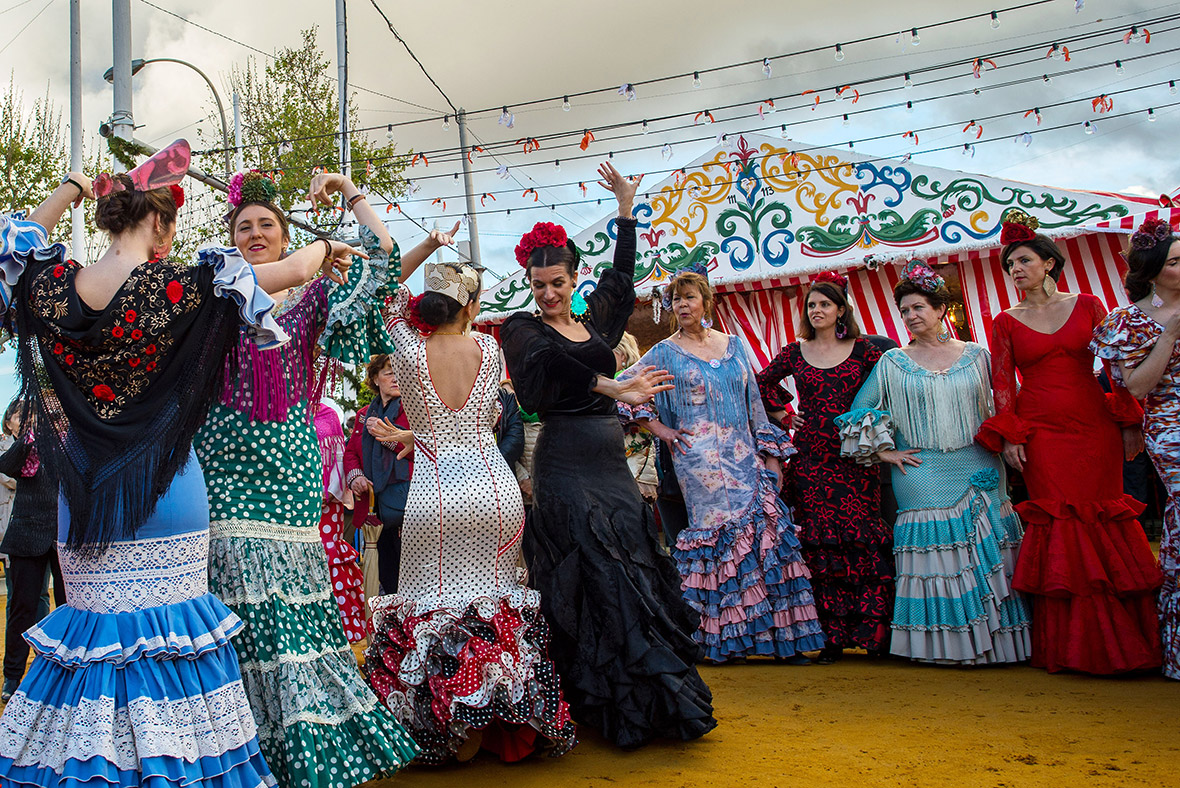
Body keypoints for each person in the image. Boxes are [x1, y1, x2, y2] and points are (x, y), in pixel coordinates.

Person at [0, 141, 348, 786]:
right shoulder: (182, 286)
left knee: (90, 639)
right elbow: (293, 270)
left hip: (83, 492)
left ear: (108, 217)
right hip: (168, 487)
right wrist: (326, 250)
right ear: (160, 223)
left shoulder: (53, 288)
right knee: (174, 642)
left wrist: (74, 185)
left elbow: (16, 241)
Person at [194, 170, 419, 786]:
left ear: (286, 233)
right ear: (232, 238)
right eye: (245, 227)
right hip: (219, 462)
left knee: (287, 594)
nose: (256, 234)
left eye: (267, 224)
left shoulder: (314, 300)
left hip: (288, 463)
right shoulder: (215, 288)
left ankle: (303, 744)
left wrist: (350, 191)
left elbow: (382, 256)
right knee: (231, 582)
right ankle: (232, 742)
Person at [500, 162, 716, 749]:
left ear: (573, 279)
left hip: (611, 467)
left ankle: (655, 700)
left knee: (635, 567)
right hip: (565, 464)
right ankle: (604, 704)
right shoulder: (522, 329)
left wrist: (625, 209)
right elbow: (550, 369)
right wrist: (612, 388)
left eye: (557, 283)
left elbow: (620, 282)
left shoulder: (594, 327)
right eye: (539, 284)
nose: (547, 294)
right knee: (594, 571)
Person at [363, 229, 577, 764]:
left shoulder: (407, 349)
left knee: (435, 607)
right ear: (474, 306)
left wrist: (422, 243)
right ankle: (507, 723)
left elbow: (385, 275)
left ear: (426, 306)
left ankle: (448, 725)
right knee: (497, 603)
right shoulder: (489, 345)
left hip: (436, 494)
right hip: (493, 488)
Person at [976, 208, 1162, 675]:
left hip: (1093, 426)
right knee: (1059, 522)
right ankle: (1070, 646)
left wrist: (1128, 421)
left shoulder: (1089, 304)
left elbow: (1115, 367)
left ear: (1048, 262)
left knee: (1103, 514)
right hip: (1042, 434)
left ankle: (1125, 642)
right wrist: (1012, 437)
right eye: (1009, 265)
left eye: (1022, 260)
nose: (1016, 270)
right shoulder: (1005, 321)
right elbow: (1002, 385)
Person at [624, 270, 824, 664]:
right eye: (675, 300)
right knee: (718, 548)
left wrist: (770, 455)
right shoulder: (664, 352)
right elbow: (625, 387)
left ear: (706, 301)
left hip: (745, 457)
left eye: (688, 298)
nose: (681, 306)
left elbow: (755, 404)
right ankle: (723, 641)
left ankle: (782, 639)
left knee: (766, 541)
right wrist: (659, 428)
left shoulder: (733, 346)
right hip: (697, 465)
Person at [836, 262, 1031, 665]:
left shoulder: (978, 355)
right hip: (920, 472)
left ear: (942, 309)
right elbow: (859, 409)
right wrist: (884, 452)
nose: (909, 317)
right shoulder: (892, 362)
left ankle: (999, 647)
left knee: (988, 552)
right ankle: (944, 648)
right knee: (935, 558)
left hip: (979, 464)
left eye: (918, 308)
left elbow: (1007, 402)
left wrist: (1009, 441)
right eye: (904, 310)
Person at [756, 272, 893, 664]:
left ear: (840, 310)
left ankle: (872, 636)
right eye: (812, 305)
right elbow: (760, 382)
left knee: (862, 538)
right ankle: (831, 638)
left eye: (824, 304)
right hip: (812, 458)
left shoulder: (867, 349)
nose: (817, 310)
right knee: (820, 544)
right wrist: (784, 411)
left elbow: (893, 383)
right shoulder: (795, 352)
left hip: (854, 456)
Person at [1091, 217, 1180, 679]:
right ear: (1151, 271)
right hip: (1170, 425)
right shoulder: (1127, 322)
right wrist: (1171, 332)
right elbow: (1140, 387)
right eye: (1176, 261)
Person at [0, 412, 65, 700]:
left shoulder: (73, 440)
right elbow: (7, 465)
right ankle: (12, 677)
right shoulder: (27, 442)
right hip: (27, 534)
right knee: (21, 608)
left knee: (69, 607)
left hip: (66, 535)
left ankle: (68, 672)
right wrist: (29, 432)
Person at [344, 355, 413, 596]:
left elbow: (425, 453)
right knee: (385, 569)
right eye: (388, 373)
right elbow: (351, 452)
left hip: (409, 505)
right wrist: (356, 478)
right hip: (374, 505)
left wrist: (389, 436)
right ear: (375, 378)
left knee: (410, 570)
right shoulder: (364, 414)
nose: (395, 378)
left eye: (399, 373)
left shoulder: (415, 410)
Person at [314, 402, 366, 643]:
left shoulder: (328, 413)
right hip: (297, 500)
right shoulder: (283, 409)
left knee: (329, 556)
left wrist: (330, 492)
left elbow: (338, 458)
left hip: (327, 501)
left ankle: (340, 628)